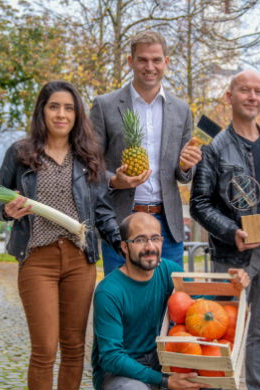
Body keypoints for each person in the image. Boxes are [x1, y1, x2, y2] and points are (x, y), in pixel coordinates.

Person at [0, 80, 124, 390]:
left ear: (77, 114)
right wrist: (7, 210)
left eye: (68, 108)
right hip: (37, 260)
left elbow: (103, 212)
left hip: (80, 261)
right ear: (42, 111)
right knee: (45, 348)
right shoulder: (21, 154)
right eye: (54, 107)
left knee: (74, 347)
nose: (61, 114)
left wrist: (122, 243)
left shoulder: (90, 156)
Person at [189, 70, 260, 390]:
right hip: (231, 254)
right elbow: (199, 204)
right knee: (223, 328)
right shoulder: (214, 146)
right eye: (243, 90)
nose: (251, 96)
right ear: (229, 97)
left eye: (257, 91)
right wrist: (233, 232)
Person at [91, 212, 251, 390]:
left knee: (218, 373)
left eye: (155, 239)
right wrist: (165, 381)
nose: (150, 247)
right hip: (118, 371)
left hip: (157, 357)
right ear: (125, 246)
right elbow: (112, 358)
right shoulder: (109, 291)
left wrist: (231, 286)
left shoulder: (169, 271)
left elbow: (200, 305)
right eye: (141, 240)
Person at [89, 30, 202, 277]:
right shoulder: (104, 105)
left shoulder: (182, 110)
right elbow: (89, 163)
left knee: (170, 300)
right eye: (142, 60)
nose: (149, 67)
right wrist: (113, 180)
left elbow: (184, 175)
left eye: (156, 60)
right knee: (122, 299)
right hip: (121, 221)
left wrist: (185, 167)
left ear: (166, 63)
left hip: (166, 224)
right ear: (131, 61)